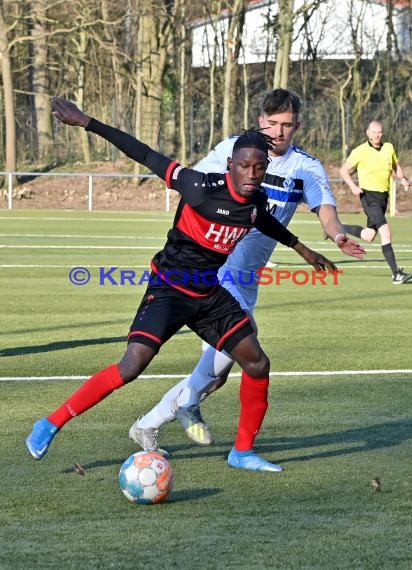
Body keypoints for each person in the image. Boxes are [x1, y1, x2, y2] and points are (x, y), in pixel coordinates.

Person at [25, 96, 340, 473]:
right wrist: (87, 122)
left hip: (209, 295)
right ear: (230, 165)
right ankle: (51, 422)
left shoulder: (255, 200)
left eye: (259, 167)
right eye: (244, 166)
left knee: (256, 363)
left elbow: (264, 221)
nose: (252, 174)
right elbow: (144, 153)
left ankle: (242, 452)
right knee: (131, 366)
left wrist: (304, 250)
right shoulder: (198, 186)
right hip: (170, 290)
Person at [128, 89, 366, 454]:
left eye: (286, 125)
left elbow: (326, 212)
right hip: (216, 270)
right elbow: (194, 186)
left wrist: (337, 236)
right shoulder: (233, 150)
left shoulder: (305, 168)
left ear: (297, 126)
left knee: (220, 373)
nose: (279, 131)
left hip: (247, 279)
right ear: (260, 122)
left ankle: (158, 418)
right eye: (272, 123)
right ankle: (169, 413)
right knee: (243, 348)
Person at [340, 120, 411, 285]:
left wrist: (403, 179)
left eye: (379, 132)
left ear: (382, 133)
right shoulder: (360, 151)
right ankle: (396, 274)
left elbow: (396, 165)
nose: (376, 135)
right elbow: (344, 170)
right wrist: (353, 186)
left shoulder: (389, 148)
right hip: (369, 197)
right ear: (367, 133)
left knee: (369, 235)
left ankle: (336, 228)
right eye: (373, 132)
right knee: (386, 232)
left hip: (383, 198)